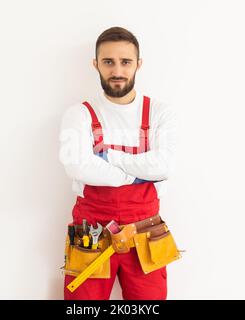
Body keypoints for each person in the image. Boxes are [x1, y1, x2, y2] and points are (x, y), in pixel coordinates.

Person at [59, 26, 177, 300]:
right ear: (96, 64)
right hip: (92, 233)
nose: (117, 70)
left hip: (146, 233)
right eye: (108, 62)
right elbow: (77, 166)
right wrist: (139, 174)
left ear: (138, 64)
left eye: (125, 62)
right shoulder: (79, 114)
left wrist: (110, 157)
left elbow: (165, 165)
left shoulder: (160, 113)